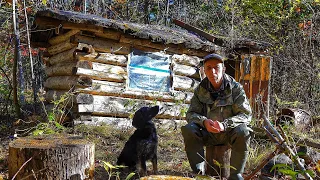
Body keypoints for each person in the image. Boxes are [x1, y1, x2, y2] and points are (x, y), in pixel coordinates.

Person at [181, 53, 252, 180]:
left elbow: (245, 115)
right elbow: (191, 114)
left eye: (216, 67)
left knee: (244, 131)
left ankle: (236, 175)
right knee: (189, 129)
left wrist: (225, 125)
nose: (213, 71)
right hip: (207, 134)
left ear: (223, 69)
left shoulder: (235, 88)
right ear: (204, 70)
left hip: (229, 134)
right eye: (208, 68)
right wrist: (204, 122)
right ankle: (199, 173)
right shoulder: (200, 90)